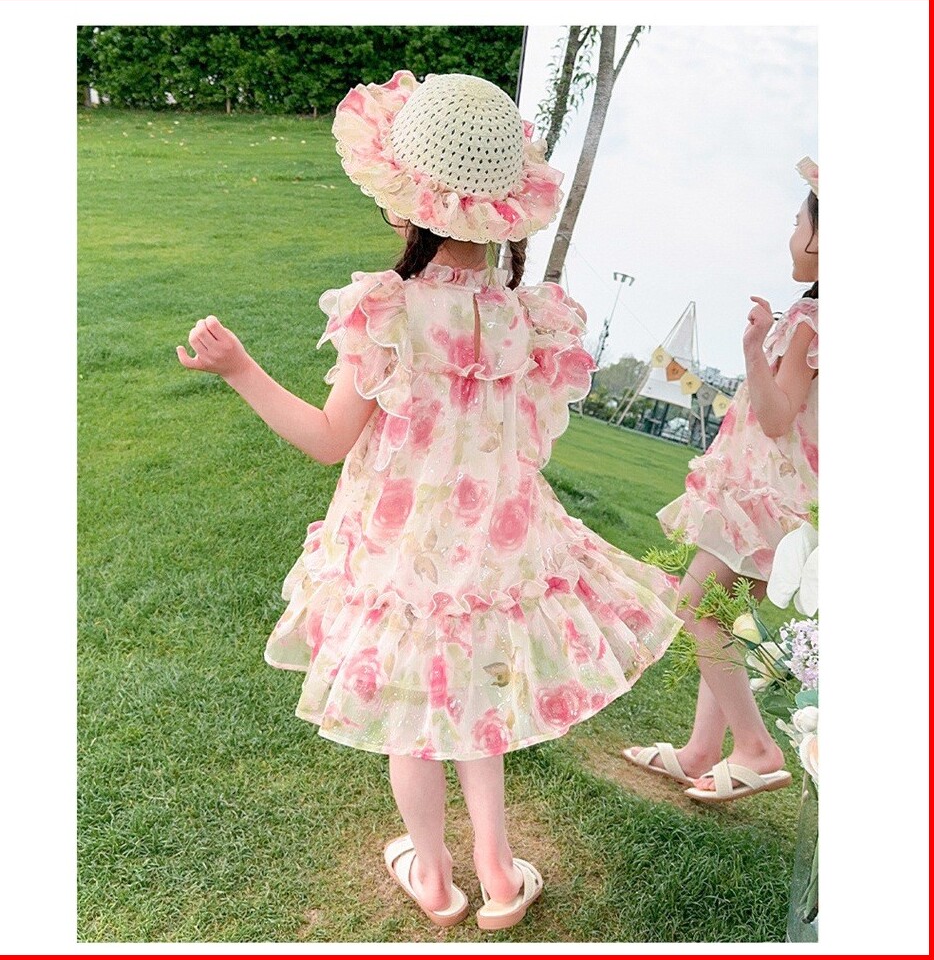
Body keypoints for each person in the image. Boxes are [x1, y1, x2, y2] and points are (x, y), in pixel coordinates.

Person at [178, 71, 682, 929]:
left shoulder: (391, 312)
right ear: (499, 213)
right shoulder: (531, 321)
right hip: (496, 552)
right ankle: (498, 874)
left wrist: (239, 369)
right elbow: (525, 442)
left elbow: (329, 439)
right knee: (477, 709)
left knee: (414, 722)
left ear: (407, 202)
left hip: (401, 555)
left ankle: (436, 878)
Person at [625, 157, 819, 803]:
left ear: (823, 238)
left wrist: (752, 351)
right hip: (786, 498)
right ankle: (701, 751)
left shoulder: (811, 320)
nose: (792, 235)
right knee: (724, 616)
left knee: (696, 608)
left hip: (766, 495)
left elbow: (777, 416)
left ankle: (756, 748)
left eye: (798, 223)